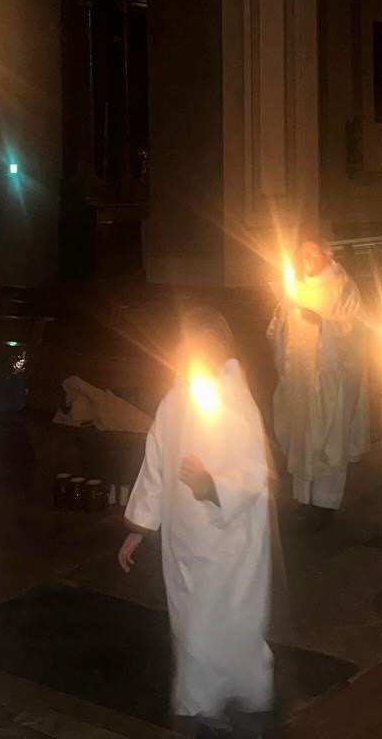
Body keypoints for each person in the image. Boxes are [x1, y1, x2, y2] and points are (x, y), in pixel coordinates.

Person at [118, 309, 274, 737]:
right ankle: (202, 703)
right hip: (183, 543)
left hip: (228, 545)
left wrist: (213, 486)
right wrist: (140, 527)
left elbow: (254, 470)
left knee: (225, 624)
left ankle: (241, 699)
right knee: (189, 626)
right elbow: (156, 463)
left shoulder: (236, 402)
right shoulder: (174, 401)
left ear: (221, 347)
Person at [268, 239, 365, 520]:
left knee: (327, 439)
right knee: (302, 436)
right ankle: (303, 497)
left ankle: (325, 502)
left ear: (327, 254)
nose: (306, 260)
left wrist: (323, 324)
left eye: (312, 254)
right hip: (299, 376)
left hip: (329, 379)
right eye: (303, 255)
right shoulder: (296, 286)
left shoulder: (343, 287)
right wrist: (281, 318)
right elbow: (276, 328)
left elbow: (355, 330)